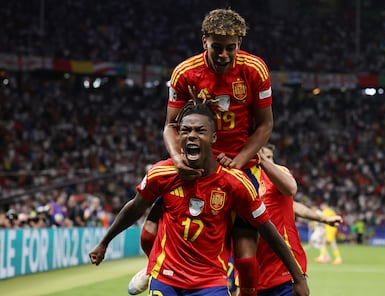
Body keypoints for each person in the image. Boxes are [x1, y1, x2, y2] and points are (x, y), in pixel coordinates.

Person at [89, 101, 309, 296]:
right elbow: (135, 208)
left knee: (245, 259)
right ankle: (149, 269)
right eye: (185, 130)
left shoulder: (235, 183)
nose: (191, 135)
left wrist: (298, 278)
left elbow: (267, 228)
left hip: (210, 282)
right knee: (148, 235)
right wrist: (104, 242)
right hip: (167, 278)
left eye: (199, 130)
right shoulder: (162, 173)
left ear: (213, 137)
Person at [131, 8, 274, 296]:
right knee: (148, 234)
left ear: (239, 45)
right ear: (204, 42)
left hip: (239, 166)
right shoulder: (185, 72)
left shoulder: (255, 69)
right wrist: (177, 160)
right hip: (195, 164)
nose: (224, 55)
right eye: (217, 47)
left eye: (231, 48)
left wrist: (238, 163)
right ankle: (154, 268)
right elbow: (170, 125)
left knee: (246, 260)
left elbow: (265, 125)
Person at [256, 144, 342, 296]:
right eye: (264, 156)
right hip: (254, 272)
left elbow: (292, 198)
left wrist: (323, 219)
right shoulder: (244, 179)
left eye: (270, 157)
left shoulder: (280, 173)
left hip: (285, 271)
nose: (269, 161)